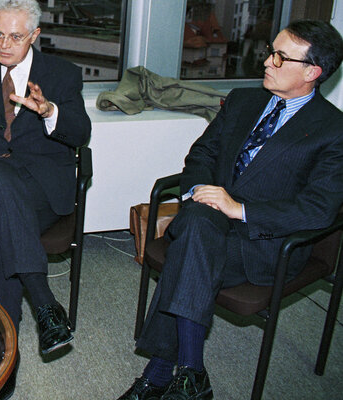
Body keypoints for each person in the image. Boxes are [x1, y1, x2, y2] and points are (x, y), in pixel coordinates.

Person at [117, 20, 343, 400]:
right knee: (199, 229)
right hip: (205, 222)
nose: (267, 62)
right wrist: (198, 193)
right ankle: (190, 373)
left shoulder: (333, 130)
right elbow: (202, 154)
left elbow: (318, 209)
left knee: (191, 245)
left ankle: (158, 373)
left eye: (279, 56)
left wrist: (239, 210)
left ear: (312, 72)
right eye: (271, 51)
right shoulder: (242, 100)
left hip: (266, 243)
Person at [0, 0, 91, 397]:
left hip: (42, 184)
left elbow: (80, 134)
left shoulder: (62, 74)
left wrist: (50, 114)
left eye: (15, 36)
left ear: (35, 35)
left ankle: (5, 346)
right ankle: (44, 302)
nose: (4, 45)